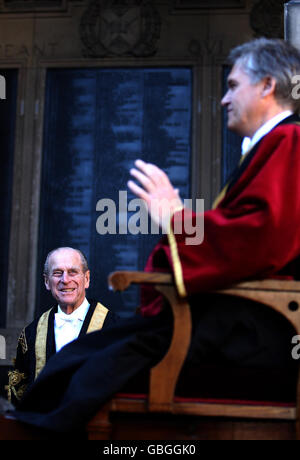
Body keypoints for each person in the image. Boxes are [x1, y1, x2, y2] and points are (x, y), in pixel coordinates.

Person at [7, 37, 300, 434]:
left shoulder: (290, 142)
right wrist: (178, 220)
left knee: (98, 358)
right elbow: (243, 236)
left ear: (267, 85)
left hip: (251, 332)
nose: (223, 100)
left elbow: (262, 240)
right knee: (86, 354)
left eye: (232, 86)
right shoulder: (273, 146)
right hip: (235, 318)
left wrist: (176, 215)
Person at [6, 247, 118, 407]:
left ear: (86, 279)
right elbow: (18, 394)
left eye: (73, 272)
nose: (65, 280)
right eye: (57, 273)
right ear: (46, 281)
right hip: (41, 427)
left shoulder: (113, 328)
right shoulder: (30, 334)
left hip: (94, 427)